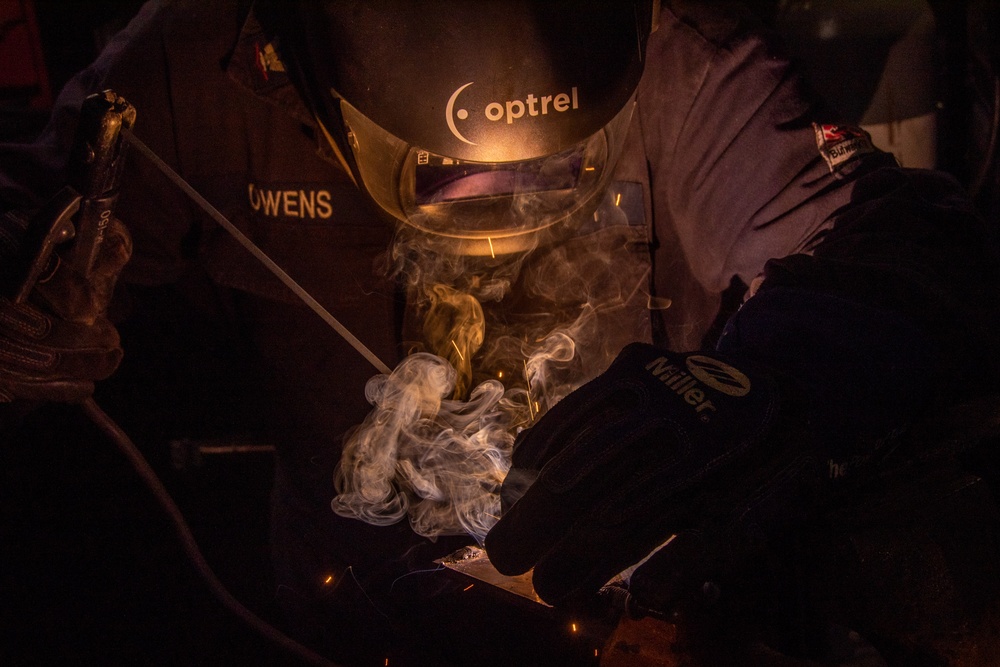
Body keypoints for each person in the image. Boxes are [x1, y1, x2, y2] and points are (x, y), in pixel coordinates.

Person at [2, 1, 999, 664]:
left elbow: (903, 236)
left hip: (630, 623)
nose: (502, 207)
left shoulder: (682, 56)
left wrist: (769, 379)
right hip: (340, 622)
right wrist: (27, 296)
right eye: (443, 175)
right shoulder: (201, 59)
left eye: (556, 166)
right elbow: (37, 203)